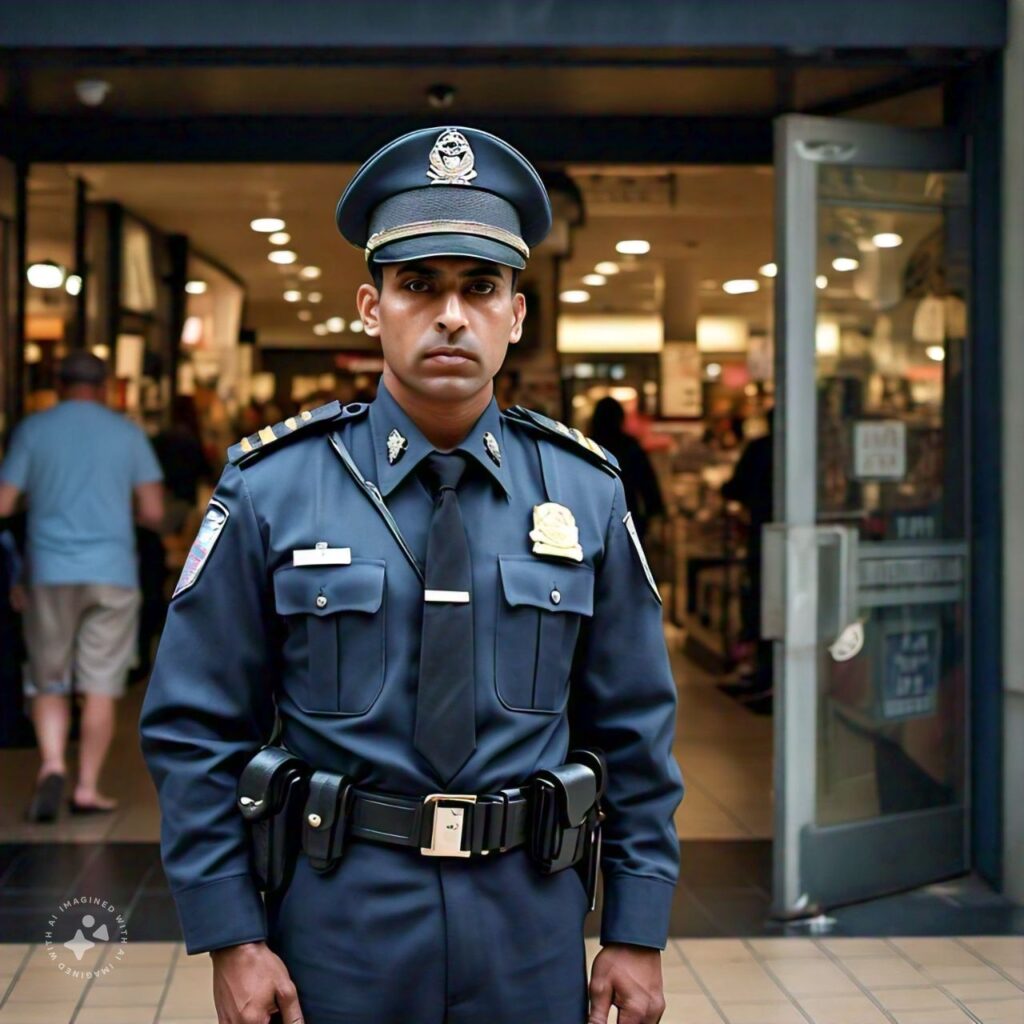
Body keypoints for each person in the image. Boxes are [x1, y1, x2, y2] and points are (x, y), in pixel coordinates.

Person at [140, 126, 683, 1024]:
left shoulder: (585, 493)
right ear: (370, 305)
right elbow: (195, 728)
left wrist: (637, 929)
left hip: (529, 925)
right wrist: (231, 934)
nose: (450, 314)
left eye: (481, 287)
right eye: (417, 284)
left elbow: (635, 729)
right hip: (337, 920)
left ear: (517, 313)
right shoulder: (275, 486)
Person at [0, 351, 164, 820]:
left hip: (48, 571)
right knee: (100, 684)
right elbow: (153, 512)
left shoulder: (34, 430)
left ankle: (52, 764)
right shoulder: (127, 434)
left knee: (49, 678)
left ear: (58, 382)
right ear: (106, 385)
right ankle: (87, 787)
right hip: (112, 572)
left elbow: (4, 501)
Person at [720, 409, 774, 708]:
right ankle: (768, 676)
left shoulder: (760, 448)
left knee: (762, 603)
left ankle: (764, 673)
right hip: (796, 545)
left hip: (763, 537)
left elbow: (734, 487)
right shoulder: (811, 448)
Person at [589, 396, 666, 542]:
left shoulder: (586, 446)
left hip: (592, 519)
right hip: (627, 517)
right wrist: (655, 511)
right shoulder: (629, 446)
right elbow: (647, 481)